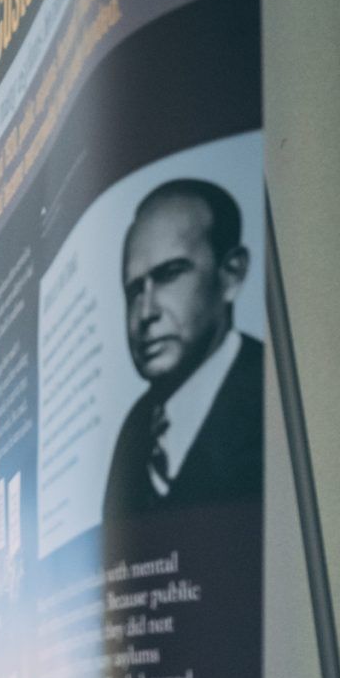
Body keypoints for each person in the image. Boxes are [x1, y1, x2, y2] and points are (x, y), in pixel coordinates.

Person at [103, 179, 263, 518]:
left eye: (170, 274)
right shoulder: (135, 432)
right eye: (133, 291)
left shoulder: (270, 395)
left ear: (231, 274)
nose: (146, 312)